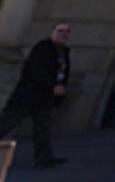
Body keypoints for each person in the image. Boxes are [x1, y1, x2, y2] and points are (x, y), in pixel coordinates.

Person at [0, 23, 70, 169]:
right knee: (6, 124)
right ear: (52, 32)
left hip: (45, 98)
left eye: (67, 32)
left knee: (43, 129)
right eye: (60, 31)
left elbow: (63, 74)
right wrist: (53, 85)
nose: (63, 34)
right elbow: (37, 71)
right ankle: (45, 157)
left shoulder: (63, 51)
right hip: (27, 96)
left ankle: (45, 158)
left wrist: (59, 90)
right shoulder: (42, 48)